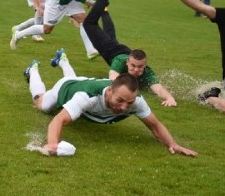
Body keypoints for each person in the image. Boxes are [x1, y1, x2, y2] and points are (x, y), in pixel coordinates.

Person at [24, 51, 196, 157]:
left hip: (81, 81)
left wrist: (173, 144)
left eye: (128, 103)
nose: (123, 108)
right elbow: (58, 121)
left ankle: (62, 59)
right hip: (67, 87)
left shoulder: (136, 102)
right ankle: (32, 70)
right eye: (120, 100)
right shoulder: (87, 97)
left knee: (74, 81)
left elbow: (155, 126)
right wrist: (53, 143)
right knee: (43, 105)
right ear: (109, 91)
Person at [81, 0, 177, 106]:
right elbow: (112, 81)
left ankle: (104, 9)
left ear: (145, 65)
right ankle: (102, 0)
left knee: (110, 34)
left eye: (140, 67)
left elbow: (159, 89)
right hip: (109, 50)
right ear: (127, 62)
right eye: (133, 66)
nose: (136, 70)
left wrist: (170, 98)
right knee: (89, 24)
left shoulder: (147, 72)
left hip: (122, 49)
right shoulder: (120, 62)